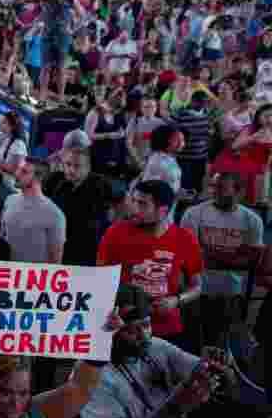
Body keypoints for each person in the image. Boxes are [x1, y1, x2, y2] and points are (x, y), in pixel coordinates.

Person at [76, 285, 230, 418]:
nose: (144, 336)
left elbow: (221, 380)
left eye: (147, 325)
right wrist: (178, 404)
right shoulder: (90, 371)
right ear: (108, 331)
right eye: (132, 330)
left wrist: (218, 368)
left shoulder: (155, 347)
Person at [97, 180, 203, 352]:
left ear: (163, 210)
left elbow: (197, 286)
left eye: (142, 204)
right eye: (134, 201)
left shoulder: (185, 239)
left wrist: (175, 301)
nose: (134, 208)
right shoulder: (115, 232)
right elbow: (101, 280)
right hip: (123, 327)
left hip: (166, 327)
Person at [179, 172, 264, 346]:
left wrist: (209, 253)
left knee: (220, 341)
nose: (213, 192)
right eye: (212, 187)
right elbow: (188, 257)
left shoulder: (252, 220)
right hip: (195, 288)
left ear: (239, 192)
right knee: (190, 338)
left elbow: (250, 262)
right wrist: (232, 258)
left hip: (231, 292)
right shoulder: (193, 214)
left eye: (220, 188)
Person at [43, 141, 113, 267]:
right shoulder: (55, 181)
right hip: (56, 246)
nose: (71, 170)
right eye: (68, 165)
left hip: (85, 249)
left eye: (77, 166)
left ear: (88, 167)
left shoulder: (100, 185)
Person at [1, 161, 66, 265]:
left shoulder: (54, 214)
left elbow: (56, 262)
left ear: (38, 178)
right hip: (8, 273)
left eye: (24, 172)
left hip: (34, 278)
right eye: (18, 169)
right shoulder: (9, 200)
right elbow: (2, 239)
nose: (16, 174)